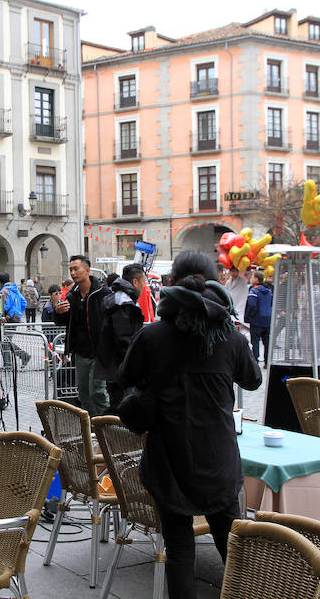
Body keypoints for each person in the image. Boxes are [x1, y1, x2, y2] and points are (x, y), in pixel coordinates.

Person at [119, 251, 262, 599]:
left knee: (180, 549)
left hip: (169, 460)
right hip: (218, 461)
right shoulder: (230, 338)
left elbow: (124, 377)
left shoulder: (152, 336)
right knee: (232, 548)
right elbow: (253, 380)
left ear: (172, 286)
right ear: (213, 283)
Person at [54, 255, 109, 415]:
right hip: (81, 353)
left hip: (100, 352)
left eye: (76, 268)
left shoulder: (103, 293)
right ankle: (91, 429)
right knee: (84, 394)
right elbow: (63, 321)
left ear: (87, 270)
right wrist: (58, 312)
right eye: (70, 269)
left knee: (97, 392)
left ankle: (107, 427)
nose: (72, 272)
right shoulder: (72, 296)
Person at [96, 263, 146, 411]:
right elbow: (123, 339)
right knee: (122, 409)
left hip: (115, 368)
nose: (144, 286)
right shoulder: (123, 303)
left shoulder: (119, 299)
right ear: (135, 282)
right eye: (143, 281)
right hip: (121, 369)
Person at [245, 270, 272, 367]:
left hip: (256, 321)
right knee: (267, 342)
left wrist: (248, 317)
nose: (251, 279)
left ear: (256, 279)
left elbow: (251, 305)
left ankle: (255, 362)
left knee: (255, 342)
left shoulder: (253, 291)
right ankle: (267, 361)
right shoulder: (268, 291)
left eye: (252, 277)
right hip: (267, 320)